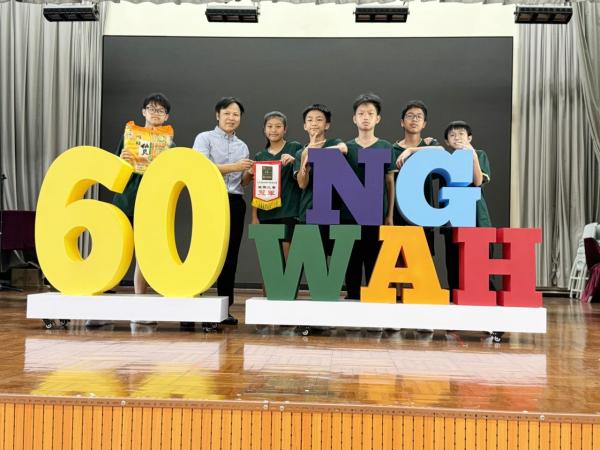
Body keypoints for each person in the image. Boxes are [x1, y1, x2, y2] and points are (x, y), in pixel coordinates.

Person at [86, 92, 174, 328]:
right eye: (151, 108)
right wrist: (122, 159)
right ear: (143, 111)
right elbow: (113, 172)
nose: (155, 113)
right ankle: (99, 309)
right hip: (125, 200)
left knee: (143, 255)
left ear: (166, 117)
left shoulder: (169, 144)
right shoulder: (129, 137)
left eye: (161, 110)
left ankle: (139, 307)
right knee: (112, 252)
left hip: (152, 203)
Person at [193, 97, 252, 326]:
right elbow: (200, 168)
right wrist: (235, 167)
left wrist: (250, 174)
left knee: (230, 255)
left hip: (235, 201)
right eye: (227, 113)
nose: (231, 118)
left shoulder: (242, 146)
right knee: (204, 252)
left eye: (236, 114)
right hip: (209, 198)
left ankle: (224, 309)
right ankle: (195, 307)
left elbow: (242, 182)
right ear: (217, 115)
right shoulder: (204, 138)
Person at [342, 93, 395, 300]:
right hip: (349, 216)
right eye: (361, 113)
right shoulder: (346, 148)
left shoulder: (385, 147)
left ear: (377, 119)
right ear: (354, 118)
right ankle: (353, 300)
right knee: (352, 263)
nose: (366, 117)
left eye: (370, 113)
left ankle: (375, 308)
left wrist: (389, 214)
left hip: (376, 215)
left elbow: (389, 182)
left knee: (375, 262)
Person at [441, 120, 492, 295]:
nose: (457, 138)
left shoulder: (479, 154)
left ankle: (482, 294)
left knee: (480, 256)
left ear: (469, 138)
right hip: (452, 214)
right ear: (447, 142)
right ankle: (456, 293)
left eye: (461, 134)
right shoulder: (445, 159)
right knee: (453, 257)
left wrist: (473, 156)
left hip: (475, 213)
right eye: (452, 135)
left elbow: (478, 181)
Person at [294, 104, 348, 255]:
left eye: (319, 119)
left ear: (327, 125)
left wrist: (317, 154)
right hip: (308, 212)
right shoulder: (300, 153)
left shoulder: (334, 143)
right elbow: (302, 184)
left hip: (332, 212)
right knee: (313, 260)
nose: (314, 123)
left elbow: (343, 148)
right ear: (305, 126)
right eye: (310, 120)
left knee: (334, 260)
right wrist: (306, 161)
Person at [248, 111, 303, 260]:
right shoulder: (260, 156)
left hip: (289, 211)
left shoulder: (294, 147)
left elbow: (305, 170)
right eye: (270, 126)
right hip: (265, 213)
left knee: (289, 261)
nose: (273, 130)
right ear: (264, 129)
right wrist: (254, 216)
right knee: (270, 262)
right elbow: (256, 189)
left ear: (285, 129)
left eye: (278, 126)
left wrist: (295, 160)